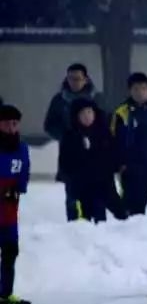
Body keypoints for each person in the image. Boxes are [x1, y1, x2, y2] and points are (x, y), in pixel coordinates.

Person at [44, 63, 107, 220]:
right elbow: (49, 125)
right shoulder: (60, 100)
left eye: (78, 79)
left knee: (97, 194)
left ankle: (98, 228)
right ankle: (75, 228)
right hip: (70, 155)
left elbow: (106, 122)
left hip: (95, 154)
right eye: (71, 79)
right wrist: (66, 136)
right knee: (73, 196)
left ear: (85, 79)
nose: (74, 82)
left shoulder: (97, 98)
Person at [58, 99, 125, 223]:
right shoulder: (71, 136)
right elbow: (65, 161)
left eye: (89, 112)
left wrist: (116, 165)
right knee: (86, 217)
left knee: (117, 214)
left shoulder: (103, 132)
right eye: (82, 114)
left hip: (104, 183)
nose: (87, 116)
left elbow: (113, 152)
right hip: (82, 185)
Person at [111, 72, 147, 215]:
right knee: (129, 202)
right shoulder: (122, 112)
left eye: (143, 89)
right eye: (136, 89)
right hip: (129, 166)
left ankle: (138, 232)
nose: (140, 92)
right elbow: (114, 139)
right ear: (130, 91)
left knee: (142, 202)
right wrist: (120, 163)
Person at [0, 104, 31, 304]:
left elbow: (24, 173)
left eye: (15, 124)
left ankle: (6, 293)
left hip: (9, 212)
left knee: (10, 252)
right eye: (7, 124)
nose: (11, 128)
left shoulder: (21, 148)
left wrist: (18, 188)